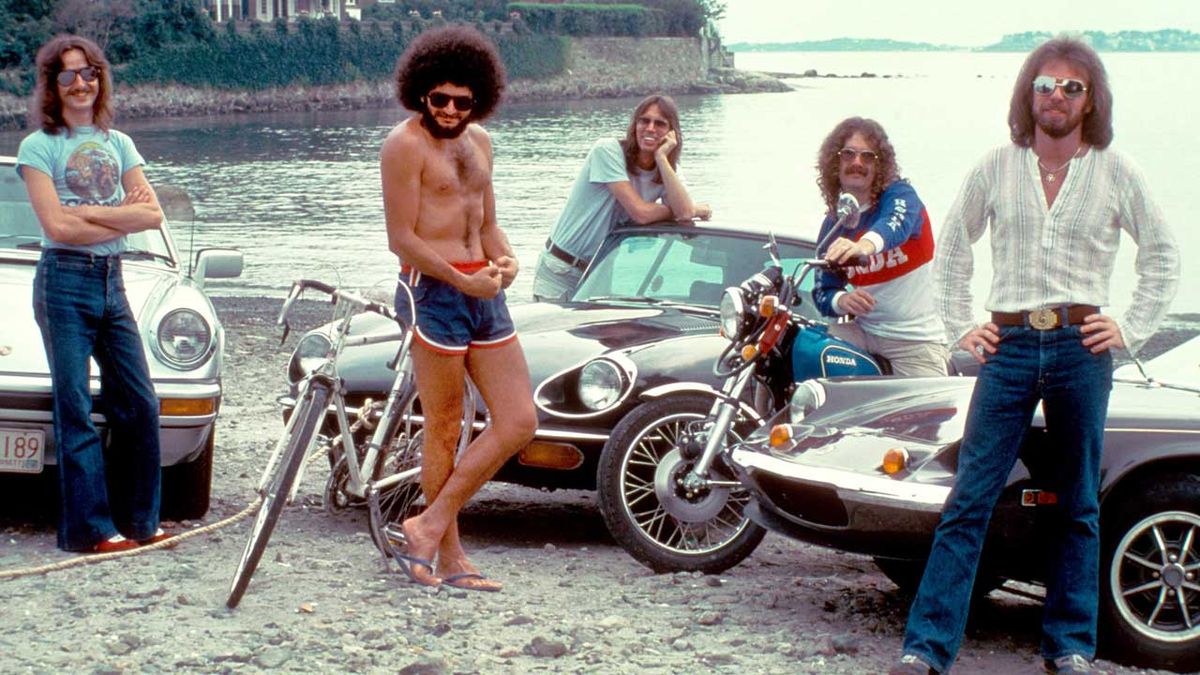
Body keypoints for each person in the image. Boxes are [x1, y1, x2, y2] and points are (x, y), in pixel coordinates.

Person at [891, 36, 1179, 675]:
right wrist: (962, 325)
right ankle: (926, 651)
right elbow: (953, 248)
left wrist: (1129, 328)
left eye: (1071, 87)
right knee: (969, 497)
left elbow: (1162, 253)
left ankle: (1069, 647)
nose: (1056, 96)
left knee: (1078, 500)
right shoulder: (996, 165)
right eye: (1045, 85)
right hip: (1010, 347)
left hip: (1082, 348)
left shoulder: (1116, 170)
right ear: (1028, 94)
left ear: (1091, 99)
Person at [380, 25, 537, 592]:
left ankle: (425, 524)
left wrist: (508, 261)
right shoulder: (403, 146)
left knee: (519, 419)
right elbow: (402, 238)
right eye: (438, 99)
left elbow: (487, 223)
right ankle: (448, 555)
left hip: (482, 289)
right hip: (433, 291)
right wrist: (459, 280)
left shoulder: (483, 144)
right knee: (445, 425)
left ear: (480, 99)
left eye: (462, 102)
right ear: (420, 92)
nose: (449, 110)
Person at [18, 34, 171, 554]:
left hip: (113, 279)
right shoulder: (38, 147)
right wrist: (111, 218)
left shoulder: (119, 142)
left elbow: (151, 215)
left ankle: (140, 522)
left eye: (88, 73)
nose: (80, 83)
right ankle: (90, 531)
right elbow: (56, 229)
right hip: (62, 280)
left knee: (139, 402)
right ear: (52, 86)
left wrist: (87, 213)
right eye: (67, 75)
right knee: (76, 406)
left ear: (100, 78)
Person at [530, 94, 712, 301]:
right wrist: (692, 209)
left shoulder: (667, 170)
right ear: (635, 124)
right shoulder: (607, 151)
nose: (650, 128)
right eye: (644, 120)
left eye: (660, 123)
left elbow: (684, 213)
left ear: (672, 133)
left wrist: (662, 158)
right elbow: (641, 213)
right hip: (561, 268)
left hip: (600, 271)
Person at [811, 117, 949, 377]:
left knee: (925, 416)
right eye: (848, 154)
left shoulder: (901, 196)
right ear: (835, 163)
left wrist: (862, 246)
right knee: (804, 349)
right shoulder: (834, 223)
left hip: (915, 341)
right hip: (863, 332)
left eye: (868, 157)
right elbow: (822, 290)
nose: (857, 163)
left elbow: (894, 224)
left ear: (880, 166)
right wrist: (843, 300)